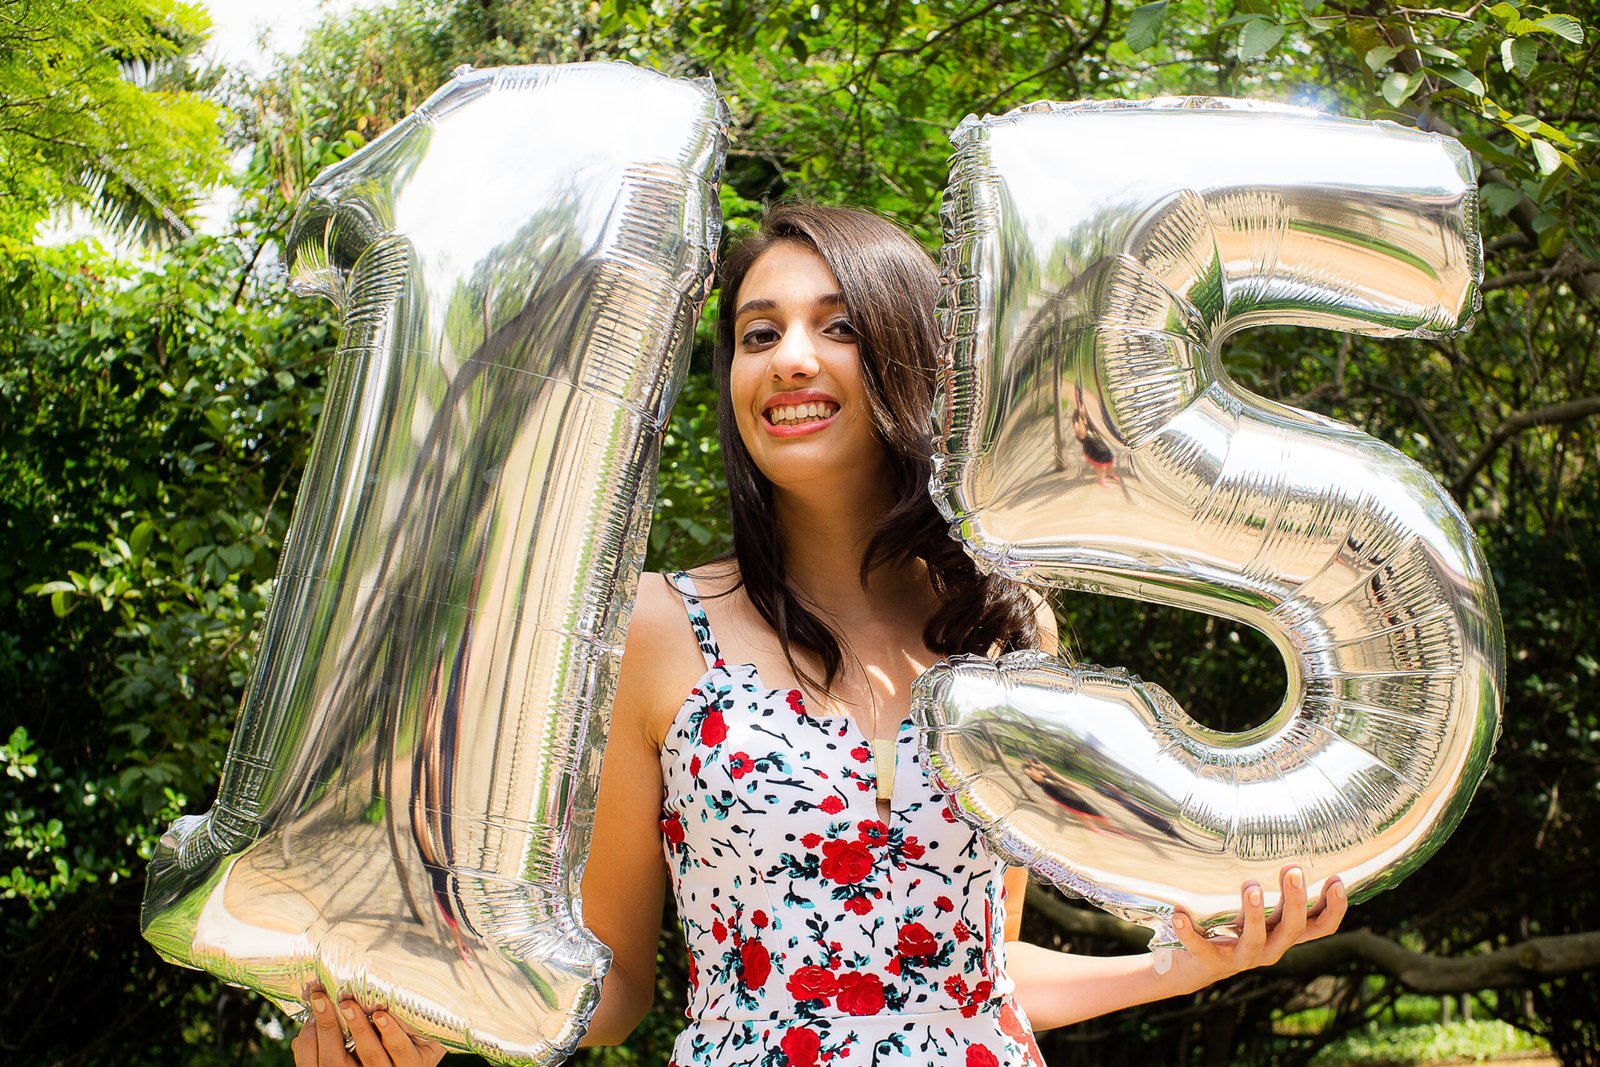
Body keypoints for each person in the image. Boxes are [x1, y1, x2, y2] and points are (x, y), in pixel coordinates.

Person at [293, 204, 1347, 1067]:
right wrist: (434, 1021)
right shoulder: (657, 629)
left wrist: (1184, 963)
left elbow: (976, 969)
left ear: (908, 355)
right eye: (758, 334)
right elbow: (613, 988)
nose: (789, 359)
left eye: (836, 326)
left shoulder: (1007, 626)